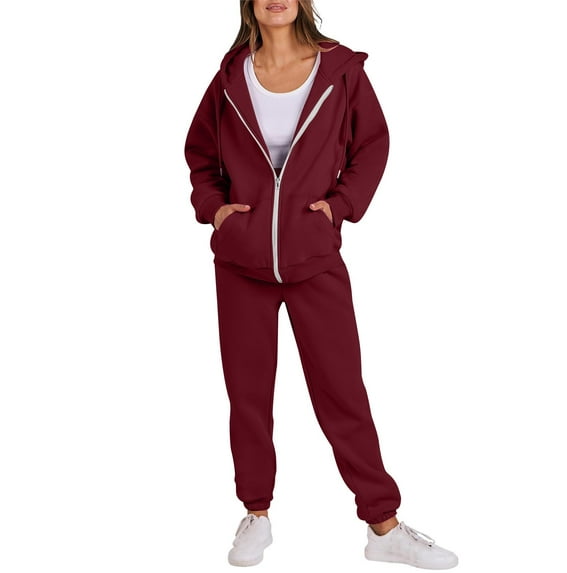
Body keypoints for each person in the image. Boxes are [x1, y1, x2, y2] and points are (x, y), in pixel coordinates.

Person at [184, 0, 458, 568]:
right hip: (240, 264)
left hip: (314, 259)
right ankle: (256, 513)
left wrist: (339, 207)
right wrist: (215, 211)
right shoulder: (231, 76)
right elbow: (200, 154)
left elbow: (373, 145)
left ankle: (383, 526)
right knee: (248, 395)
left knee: (342, 392)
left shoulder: (340, 70)